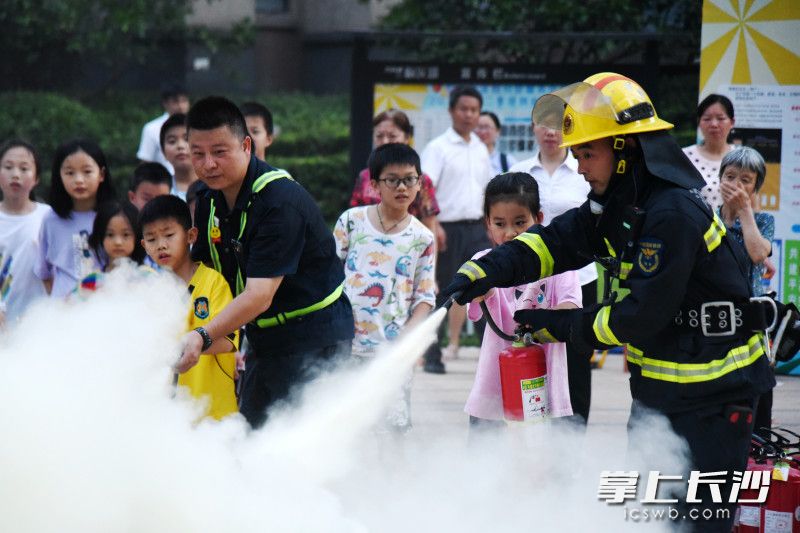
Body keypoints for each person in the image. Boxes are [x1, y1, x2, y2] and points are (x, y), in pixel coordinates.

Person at [442, 73, 775, 530]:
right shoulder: (617, 207)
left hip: (715, 396)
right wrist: (484, 270)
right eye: (576, 154)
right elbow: (553, 242)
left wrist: (556, 325)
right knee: (649, 519)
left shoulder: (671, 213)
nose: (579, 167)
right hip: (658, 391)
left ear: (625, 149)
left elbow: (638, 317)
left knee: (696, 523)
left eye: (587, 153)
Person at [179, 96, 354, 429]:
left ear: (247, 145)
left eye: (219, 152)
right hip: (263, 338)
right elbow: (206, 275)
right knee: (254, 438)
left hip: (314, 338)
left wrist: (202, 334)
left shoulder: (280, 202)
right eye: (197, 153)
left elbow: (260, 295)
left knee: (303, 446)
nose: (208, 164)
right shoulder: (205, 200)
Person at [465, 172, 579, 432]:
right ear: (488, 224)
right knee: (484, 464)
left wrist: (539, 324)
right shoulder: (484, 263)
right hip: (493, 390)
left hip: (542, 388)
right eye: (499, 224)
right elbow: (474, 307)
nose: (510, 233)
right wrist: (477, 290)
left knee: (538, 465)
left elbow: (571, 306)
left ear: (538, 219)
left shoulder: (560, 264)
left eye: (519, 222)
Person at [334, 143, 435, 433]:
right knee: (349, 428)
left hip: (391, 354)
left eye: (410, 179)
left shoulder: (422, 238)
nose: (402, 187)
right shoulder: (351, 222)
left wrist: (406, 340)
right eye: (392, 180)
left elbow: (425, 297)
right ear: (375, 184)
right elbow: (328, 277)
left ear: (419, 183)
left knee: (393, 430)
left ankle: (393, 478)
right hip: (347, 347)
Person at [509, 112, 596, 425]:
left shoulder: (584, 171)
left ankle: (573, 430)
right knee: (528, 351)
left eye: (560, 125)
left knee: (575, 356)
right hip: (526, 279)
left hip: (579, 276)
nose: (551, 132)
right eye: (544, 123)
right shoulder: (518, 172)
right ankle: (530, 429)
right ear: (532, 127)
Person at [141, 195, 239, 420]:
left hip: (214, 414)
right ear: (144, 246)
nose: (161, 245)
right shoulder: (147, 289)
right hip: (166, 417)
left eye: (169, 235)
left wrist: (186, 345)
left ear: (191, 235)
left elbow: (228, 341)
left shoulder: (214, 282)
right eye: (152, 239)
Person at [421, 85, 492, 373]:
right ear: (452, 111)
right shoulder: (438, 148)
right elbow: (425, 189)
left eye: (474, 110)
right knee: (443, 293)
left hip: (478, 228)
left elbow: (488, 191)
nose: (468, 115)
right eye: (463, 109)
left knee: (488, 287)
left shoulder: (480, 148)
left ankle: (492, 355)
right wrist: (434, 226)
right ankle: (432, 355)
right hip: (446, 228)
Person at [717, 147, 775, 440]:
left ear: (756, 187)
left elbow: (757, 254)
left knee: (757, 395)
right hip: (714, 320)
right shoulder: (707, 218)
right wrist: (726, 218)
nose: (737, 185)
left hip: (750, 320)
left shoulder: (762, 221)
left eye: (746, 180)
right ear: (719, 179)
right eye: (730, 176)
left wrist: (744, 211)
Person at [35, 139, 115, 298]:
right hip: (62, 311)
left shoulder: (113, 217)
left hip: (104, 308)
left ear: (102, 174)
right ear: (60, 175)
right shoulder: (51, 219)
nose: (79, 180)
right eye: (70, 172)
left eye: (87, 171)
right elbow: (44, 272)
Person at [349, 109, 442, 242]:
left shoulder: (422, 180)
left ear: (406, 138)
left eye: (392, 136)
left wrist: (430, 261)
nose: (385, 141)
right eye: (379, 136)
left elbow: (429, 225)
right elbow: (355, 218)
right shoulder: (365, 177)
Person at [0, 140, 51, 324]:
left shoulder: (48, 217)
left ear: (36, 178)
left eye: (24, 168)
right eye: (8, 167)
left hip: (40, 322)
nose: (15, 175)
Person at [682, 94, 736, 212]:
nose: (714, 124)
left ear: (732, 122)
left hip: (733, 229)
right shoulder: (684, 156)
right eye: (707, 119)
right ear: (699, 122)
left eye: (721, 118)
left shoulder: (742, 158)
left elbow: (753, 201)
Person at [137, 85, 190, 174]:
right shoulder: (151, 129)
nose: (181, 106)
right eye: (175, 101)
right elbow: (145, 164)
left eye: (184, 101)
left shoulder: (197, 126)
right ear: (165, 103)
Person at [159, 113, 197, 200]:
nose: (180, 146)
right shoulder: (160, 192)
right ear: (163, 152)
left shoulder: (215, 186)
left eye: (187, 139)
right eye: (172, 141)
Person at [475, 111, 517, 175]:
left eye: (487, 127)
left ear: (498, 131)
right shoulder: (465, 159)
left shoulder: (508, 162)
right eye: (479, 127)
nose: (483, 132)